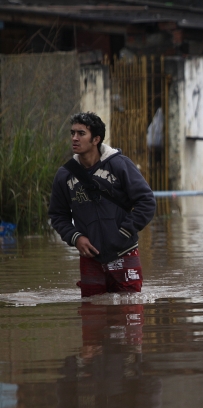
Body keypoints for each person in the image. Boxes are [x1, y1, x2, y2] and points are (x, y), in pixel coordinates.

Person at [49, 112, 156, 297]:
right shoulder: (64, 175)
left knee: (130, 308)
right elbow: (58, 215)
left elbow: (146, 201)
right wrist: (76, 238)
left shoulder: (120, 165)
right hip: (90, 258)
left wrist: (124, 231)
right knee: (92, 310)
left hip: (124, 252)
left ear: (96, 139)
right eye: (72, 133)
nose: (74, 138)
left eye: (81, 133)